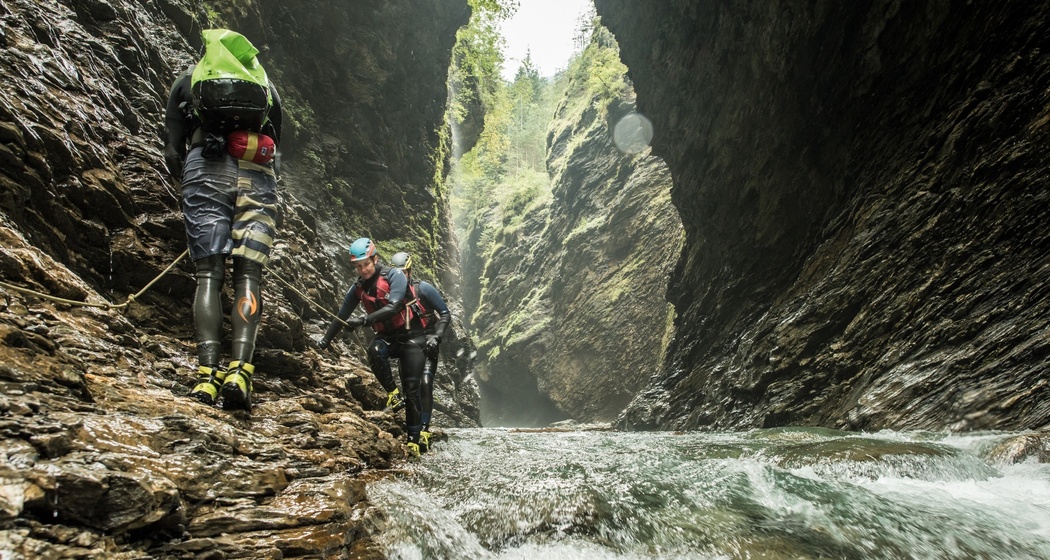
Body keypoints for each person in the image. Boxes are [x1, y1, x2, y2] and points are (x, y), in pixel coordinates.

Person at [162, 29, 283, 411]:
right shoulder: (266, 88)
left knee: (209, 274)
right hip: (257, 174)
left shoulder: (189, 82)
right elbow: (277, 149)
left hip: (205, 168)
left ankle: (207, 376)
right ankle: (241, 372)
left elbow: (172, 150)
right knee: (249, 273)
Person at [317, 238, 429, 456]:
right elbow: (342, 315)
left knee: (412, 389)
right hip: (388, 337)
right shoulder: (358, 288)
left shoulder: (394, 276)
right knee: (375, 350)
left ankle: (413, 440)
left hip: (412, 336)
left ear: (375, 259)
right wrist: (324, 341)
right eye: (358, 266)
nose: (363, 270)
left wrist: (364, 321)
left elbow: (395, 305)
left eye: (366, 264)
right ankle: (392, 394)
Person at [390, 251, 451, 453]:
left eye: (404, 273)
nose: (401, 277)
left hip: (427, 343)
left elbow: (444, 313)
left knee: (425, 383)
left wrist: (437, 335)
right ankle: (413, 431)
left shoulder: (423, 289)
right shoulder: (391, 294)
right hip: (407, 346)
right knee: (411, 390)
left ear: (409, 271)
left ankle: (424, 429)